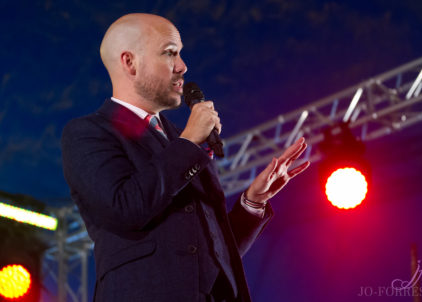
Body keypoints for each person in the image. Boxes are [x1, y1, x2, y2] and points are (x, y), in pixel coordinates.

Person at [61, 13, 310, 302]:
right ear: (130, 62)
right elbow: (125, 207)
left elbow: (208, 254)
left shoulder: (184, 139)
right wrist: (190, 141)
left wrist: (252, 203)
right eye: (170, 53)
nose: (183, 66)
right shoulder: (88, 132)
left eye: (180, 54)